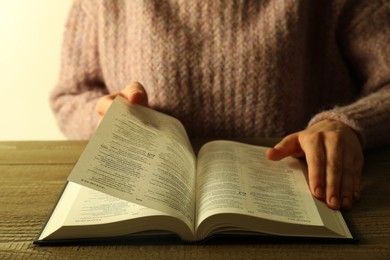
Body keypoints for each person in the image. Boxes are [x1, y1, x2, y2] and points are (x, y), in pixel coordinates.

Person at [50, 0, 390, 211]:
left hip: (305, 205)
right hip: (144, 204)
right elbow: (70, 97)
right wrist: (107, 120)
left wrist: (345, 124)